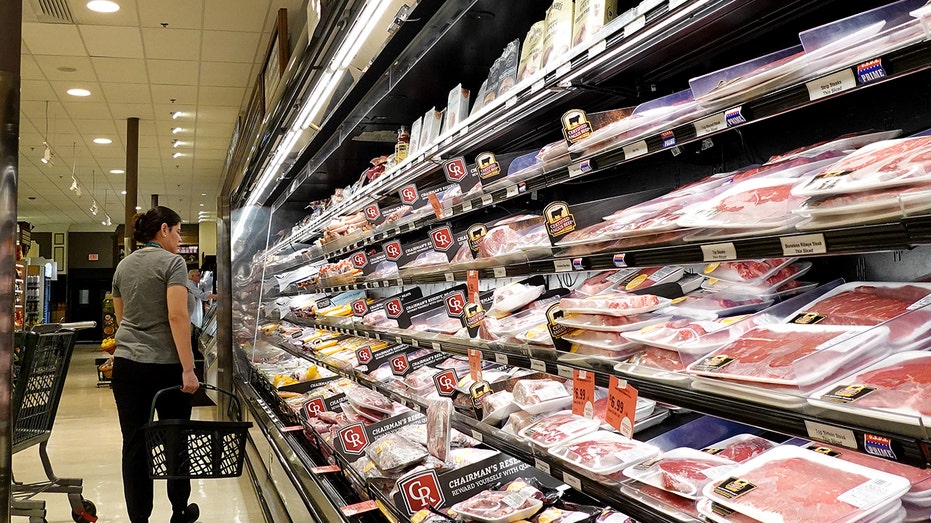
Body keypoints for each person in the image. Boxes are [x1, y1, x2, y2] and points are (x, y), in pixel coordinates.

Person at [111, 206, 200, 523]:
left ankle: (140, 518)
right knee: (176, 437)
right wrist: (188, 369)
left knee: (134, 443)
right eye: (177, 232)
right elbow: (177, 316)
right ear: (163, 230)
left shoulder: (123, 266)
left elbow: (122, 320)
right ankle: (179, 509)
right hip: (165, 368)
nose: (178, 240)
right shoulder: (173, 263)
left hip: (127, 367)